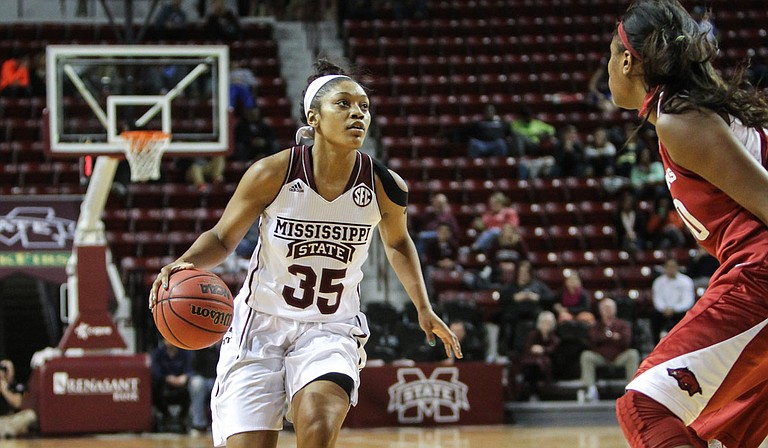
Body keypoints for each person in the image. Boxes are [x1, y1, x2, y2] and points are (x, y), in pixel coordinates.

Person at [149, 59, 462, 448]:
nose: (357, 114)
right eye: (343, 105)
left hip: (330, 328)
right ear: (313, 117)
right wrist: (186, 263)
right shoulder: (273, 172)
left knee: (316, 423)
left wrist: (423, 306)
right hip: (259, 327)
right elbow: (223, 237)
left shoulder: (384, 185)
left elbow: (397, 242)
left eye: (363, 106)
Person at [610, 1, 768, 446]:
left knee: (644, 407)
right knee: (714, 433)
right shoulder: (697, 113)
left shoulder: (681, 120)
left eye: (607, 56)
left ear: (626, 60)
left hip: (760, 277)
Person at [580, 298, 640, 403]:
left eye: (610, 308)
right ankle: (591, 389)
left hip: (619, 356)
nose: (608, 310)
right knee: (586, 356)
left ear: (615, 309)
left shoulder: (622, 324)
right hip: (601, 357)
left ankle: (632, 390)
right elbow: (593, 340)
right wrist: (612, 337)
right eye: (605, 308)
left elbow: (626, 340)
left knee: (632, 354)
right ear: (600, 310)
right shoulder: (596, 325)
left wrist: (604, 338)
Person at [150, 337, 193, 433]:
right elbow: (155, 372)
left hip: (181, 385)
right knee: (154, 389)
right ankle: (166, 417)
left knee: (191, 389)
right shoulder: (158, 353)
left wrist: (184, 377)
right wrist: (167, 378)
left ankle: (182, 419)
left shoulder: (185, 353)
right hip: (164, 385)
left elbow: (190, 369)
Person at [518, 310, 560, 402]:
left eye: (549, 323)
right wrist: (537, 350)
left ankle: (534, 393)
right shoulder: (533, 335)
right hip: (533, 363)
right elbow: (528, 349)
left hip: (547, 365)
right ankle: (532, 393)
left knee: (535, 366)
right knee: (531, 367)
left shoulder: (554, 337)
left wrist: (542, 349)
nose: (546, 325)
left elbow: (552, 350)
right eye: (544, 322)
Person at [651, 258, 695, 343]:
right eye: (669, 267)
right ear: (665, 268)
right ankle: (656, 345)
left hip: (680, 311)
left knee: (687, 317)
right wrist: (664, 308)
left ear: (677, 267)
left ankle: (685, 344)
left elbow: (688, 301)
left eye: (673, 267)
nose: (671, 269)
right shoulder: (658, 282)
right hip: (663, 311)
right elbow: (657, 299)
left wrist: (674, 309)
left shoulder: (686, 281)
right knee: (654, 318)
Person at [188, 342, 220, 435]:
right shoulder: (200, 346)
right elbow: (193, 367)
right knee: (197, 384)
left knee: (219, 386)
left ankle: (218, 424)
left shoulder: (223, 347)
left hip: (217, 378)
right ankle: (199, 425)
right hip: (201, 377)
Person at [0, 359, 36, 438]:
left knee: (30, 415)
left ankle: (7, 431)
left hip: (12, 419)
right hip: (1, 420)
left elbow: (17, 404)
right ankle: (8, 431)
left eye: (7, 369)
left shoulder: (18, 386)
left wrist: (4, 390)